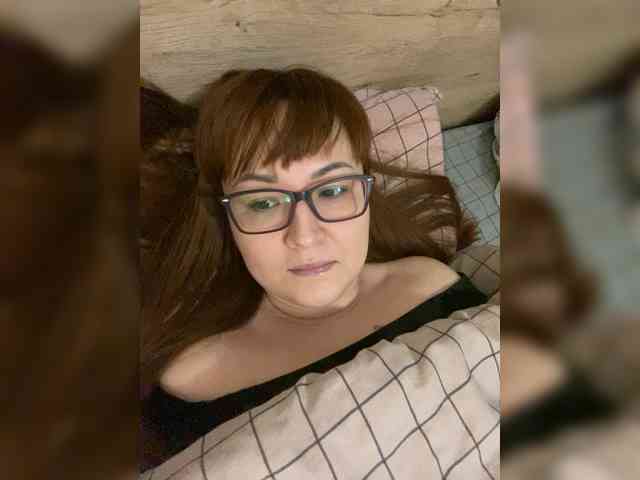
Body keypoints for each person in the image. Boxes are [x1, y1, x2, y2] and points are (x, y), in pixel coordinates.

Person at [140, 67, 486, 469]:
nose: (304, 236)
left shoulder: (432, 287)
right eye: (263, 202)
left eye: (333, 190)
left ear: (366, 193)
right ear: (226, 217)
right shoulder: (190, 385)